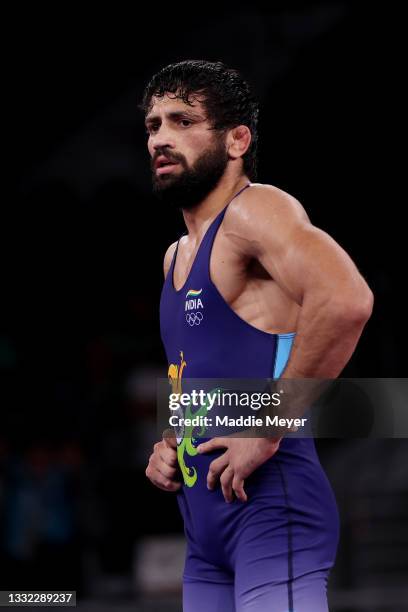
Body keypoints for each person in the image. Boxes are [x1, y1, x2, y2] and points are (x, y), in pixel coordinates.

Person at [143, 60, 373, 612]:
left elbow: (346, 301)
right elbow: (199, 371)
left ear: (237, 139)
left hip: (271, 512)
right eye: (153, 126)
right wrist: (171, 442)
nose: (161, 138)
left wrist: (268, 427)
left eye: (181, 121)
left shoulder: (256, 211)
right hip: (204, 536)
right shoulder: (175, 256)